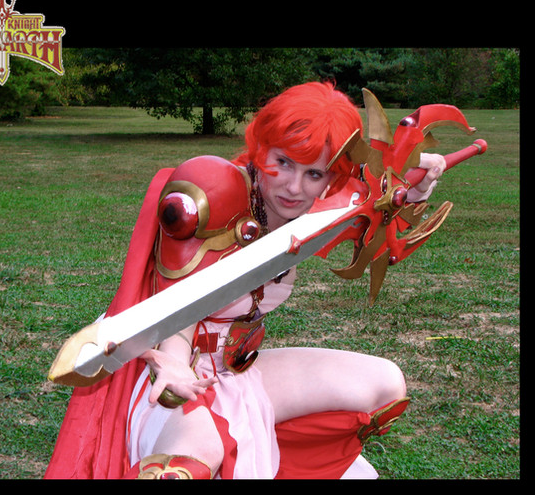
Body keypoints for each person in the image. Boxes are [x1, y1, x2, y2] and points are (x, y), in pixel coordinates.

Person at [45, 81, 445, 479]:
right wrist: (175, 363)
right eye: (283, 162)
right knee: (191, 460)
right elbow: (182, 301)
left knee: (385, 384)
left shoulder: (320, 205)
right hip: (163, 368)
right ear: (261, 145)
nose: (293, 187)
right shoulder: (215, 193)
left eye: (313, 173)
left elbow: (372, 197)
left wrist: (411, 186)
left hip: (235, 373)